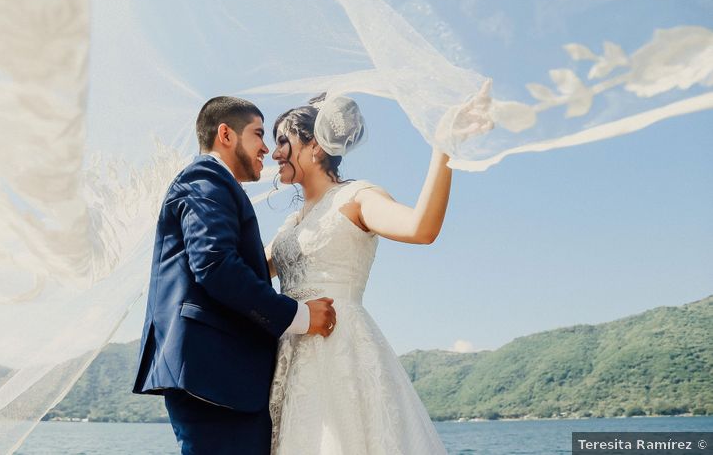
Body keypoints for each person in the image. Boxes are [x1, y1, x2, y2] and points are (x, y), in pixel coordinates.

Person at [266, 90, 491, 454]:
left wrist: (443, 148)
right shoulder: (289, 226)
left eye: (282, 141)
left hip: (339, 350)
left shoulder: (357, 198)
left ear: (316, 147)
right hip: (288, 354)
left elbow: (422, 228)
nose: (274, 154)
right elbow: (241, 271)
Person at [133, 96, 338, 455]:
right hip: (214, 377)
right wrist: (301, 316)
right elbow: (215, 265)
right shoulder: (205, 177)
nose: (266, 148)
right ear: (225, 134)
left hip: (224, 378)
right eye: (258, 134)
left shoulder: (218, 187)